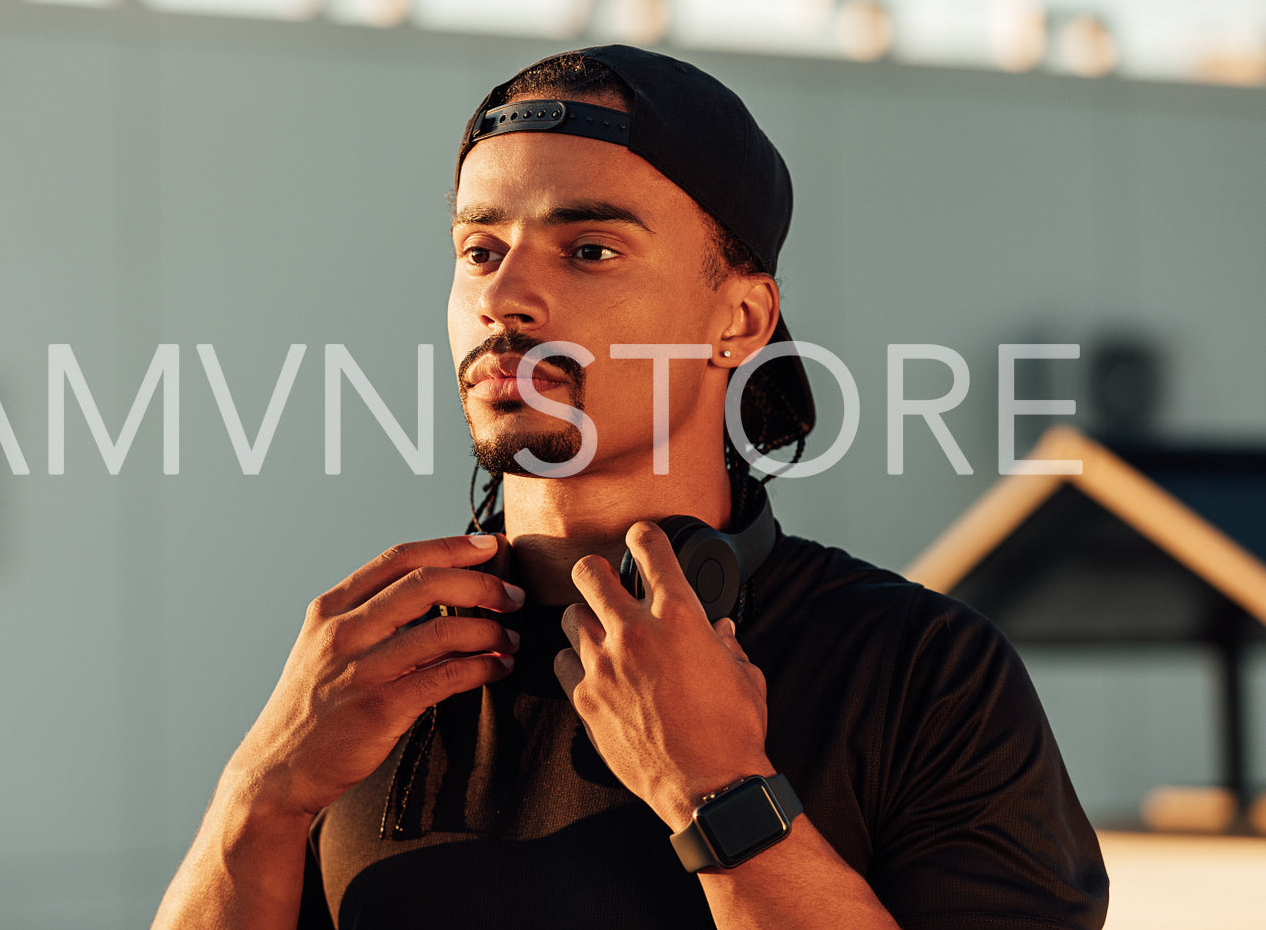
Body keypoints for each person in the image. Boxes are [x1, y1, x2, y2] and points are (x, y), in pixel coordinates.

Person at [153, 45, 1109, 929]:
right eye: (479, 250)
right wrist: (262, 793)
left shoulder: (919, 672)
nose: (501, 295)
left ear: (736, 317)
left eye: (589, 250)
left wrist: (723, 793)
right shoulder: (370, 675)